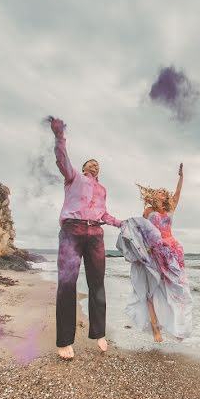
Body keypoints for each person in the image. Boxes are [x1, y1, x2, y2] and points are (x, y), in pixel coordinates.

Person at [51, 117, 124, 360]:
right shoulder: (73, 177)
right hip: (72, 231)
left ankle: (99, 333)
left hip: (96, 235)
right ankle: (64, 341)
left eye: (97, 164)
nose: (94, 165)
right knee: (67, 284)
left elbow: (104, 214)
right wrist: (59, 136)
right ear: (83, 168)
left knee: (97, 284)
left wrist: (123, 223)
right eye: (90, 163)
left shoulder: (102, 190)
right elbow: (62, 159)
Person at [117, 163, 193, 342]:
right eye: (159, 191)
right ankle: (155, 329)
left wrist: (181, 177)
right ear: (153, 195)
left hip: (171, 252)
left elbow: (178, 194)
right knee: (151, 289)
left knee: (176, 288)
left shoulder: (170, 209)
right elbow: (142, 231)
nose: (162, 193)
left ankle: (178, 327)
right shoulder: (148, 211)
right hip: (153, 252)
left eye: (163, 192)